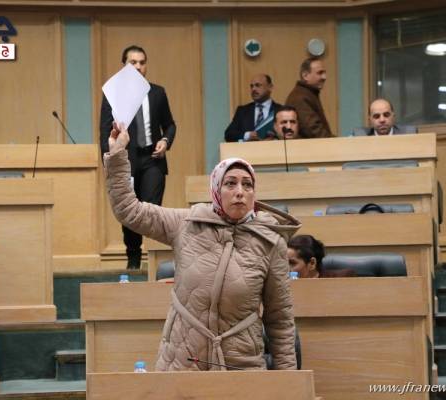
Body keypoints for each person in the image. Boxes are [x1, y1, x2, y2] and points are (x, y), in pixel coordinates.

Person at [104, 121, 300, 371]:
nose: (240, 191)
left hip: (241, 367)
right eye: (230, 183)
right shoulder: (186, 223)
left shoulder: (270, 241)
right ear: (216, 188)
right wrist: (118, 155)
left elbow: (280, 320)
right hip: (181, 363)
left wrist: (289, 383)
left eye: (247, 185)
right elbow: (129, 210)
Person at [100, 45, 176, 269]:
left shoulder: (157, 92)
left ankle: (155, 260)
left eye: (142, 62)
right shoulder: (113, 94)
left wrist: (165, 141)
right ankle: (133, 259)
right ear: (124, 66)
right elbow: (104, 130)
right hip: (127, 160)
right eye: (133, 62)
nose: (138, 66)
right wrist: (110, 161)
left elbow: (170, 125)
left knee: (152, 209)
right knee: (129, 209)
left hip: (153, 159)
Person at [284, 57, 333, 139]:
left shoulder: (306, 94)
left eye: (324, 73)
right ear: (305, 76)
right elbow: (313, 130)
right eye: (320, 73)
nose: (324, 77)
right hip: (308, 146)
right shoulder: (300, 97)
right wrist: (336, 142)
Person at [224, 74, 282, 142]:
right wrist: (247, 135)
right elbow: (229, 134)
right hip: (248, 148)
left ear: (270, 87)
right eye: (251, 86)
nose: (253, 89)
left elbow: (288, 134)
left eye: (258, 85)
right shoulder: (242, 111)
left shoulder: (280, 110)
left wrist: (275, 138)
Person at [287, 234, 356, 278]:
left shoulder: (342, 278)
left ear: (312, 263)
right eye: (284, 263)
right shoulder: (284, 286)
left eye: (292, 263)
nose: (285, 268)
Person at [352, 98, 418, 136]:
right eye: (376, 116)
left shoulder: (408, 133)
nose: (382, 120)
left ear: (393, 116)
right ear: (370, 119)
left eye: (386, 115)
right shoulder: (361, 135)